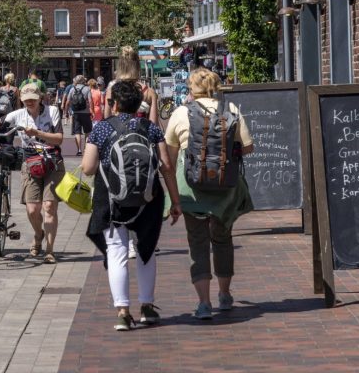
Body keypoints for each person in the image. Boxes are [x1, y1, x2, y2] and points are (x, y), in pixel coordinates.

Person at [82, 80, 182, 331]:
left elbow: (88, 168)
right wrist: (175, 202)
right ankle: (147, 307)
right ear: (139, 104)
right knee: (146, 250)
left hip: (111, 199)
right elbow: (166, 166)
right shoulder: (151, 129)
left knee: (117, 252)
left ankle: (123, 312)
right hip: (148, 199)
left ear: (113, 104)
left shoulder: (102, 129)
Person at [165, 68, 254, 320]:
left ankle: (204, 303)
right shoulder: (231, 110)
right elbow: (248, 147)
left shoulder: (181, 113)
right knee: (223, 239)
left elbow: (169, 159)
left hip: (191, 189)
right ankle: (224, 295)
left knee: (198, 242)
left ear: (191, 88)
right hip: (225, 189)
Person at [0, 84, 64, 263]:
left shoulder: (52, 111)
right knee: (32, 209)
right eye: (26, 99)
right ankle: (38, 234)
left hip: (52, 161)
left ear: (40, 98)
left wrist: (38, 133)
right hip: (30, 163)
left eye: (33, 98)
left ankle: (49, 249)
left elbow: (59, 139)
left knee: (49, 206)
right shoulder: (18, 115)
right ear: (21, 101)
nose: (30, 101)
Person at [62, 74, 93, 156]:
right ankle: (86, 148)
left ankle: (79, 150)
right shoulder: (87, 89)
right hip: (86, 113)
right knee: (87, 131)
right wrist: (92, 111)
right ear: (83, 81)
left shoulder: (72, 89)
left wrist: (65, 112)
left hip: (76, 113)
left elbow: (68, 102)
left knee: (77, 132)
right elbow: (90, 101)